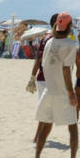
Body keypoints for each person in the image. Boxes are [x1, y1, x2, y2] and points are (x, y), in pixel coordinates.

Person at [32, 12, 80, 158]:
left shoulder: (48, 42)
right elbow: (66, 69)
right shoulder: (71, 44)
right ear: (69, 26)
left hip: (48, 90)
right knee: (72, 127)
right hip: (62, 92)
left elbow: (43, 66)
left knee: (45, 126)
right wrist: (71, 93)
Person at [26, 14, 58, 144]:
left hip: (46, 79)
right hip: (45, 79)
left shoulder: (50, 38)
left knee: (47, 110)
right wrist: (32, 77)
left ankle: (38, 138)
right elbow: (39, 59)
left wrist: (33, 76)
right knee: (47, 111)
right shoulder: (50, 39)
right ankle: (37, 138)